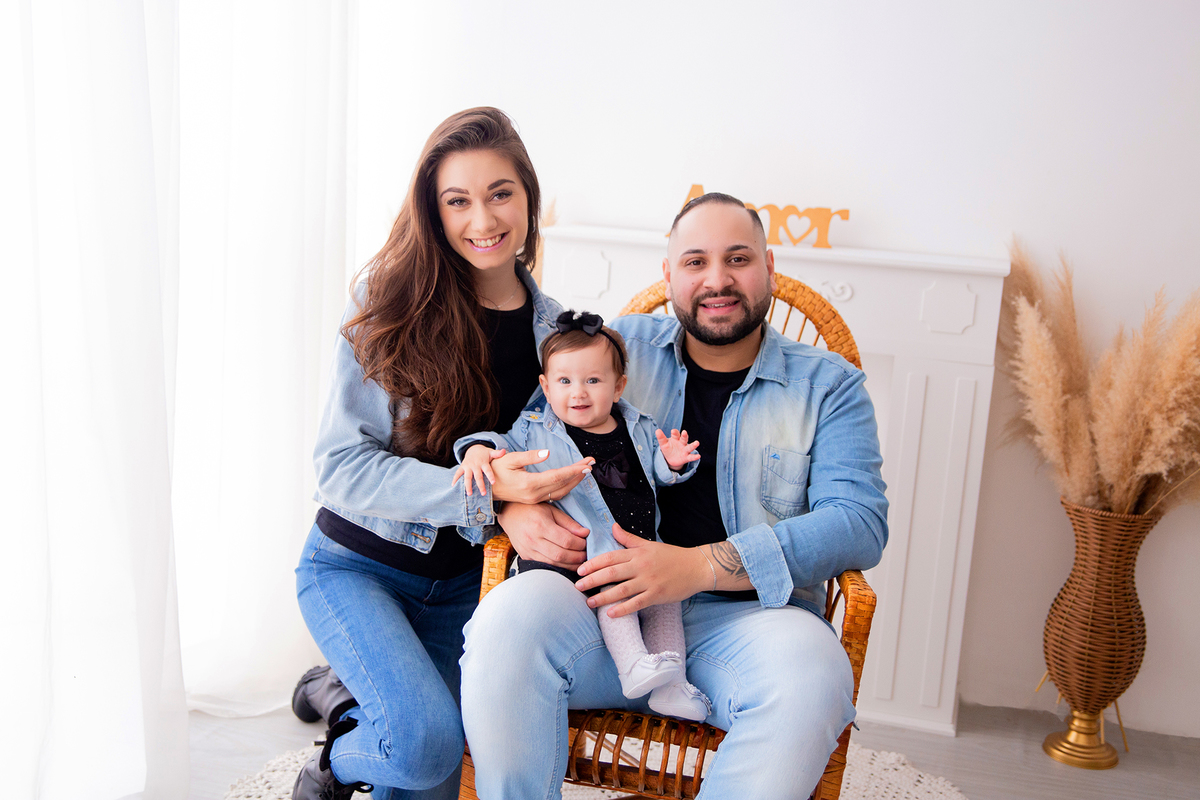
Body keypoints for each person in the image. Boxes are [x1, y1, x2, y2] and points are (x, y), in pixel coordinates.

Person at [458, 193, 889, 799]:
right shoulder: (617, 348)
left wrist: (696, 566)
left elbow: (859, 524)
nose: (717, 280)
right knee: (504, 622)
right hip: (598, 608)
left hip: (746, 623)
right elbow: (530, 437)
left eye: (738, 259)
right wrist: (514, 504)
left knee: (815, 675)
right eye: (695, 262)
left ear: (769, 267)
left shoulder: (829, 387)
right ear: (668, 275)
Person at [291, 107, 593, 800]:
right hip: (354, 569)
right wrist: (487, 498)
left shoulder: (560, 340)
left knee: (431, 763)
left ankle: (344, 699)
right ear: (433, 211)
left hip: (465, 589)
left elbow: (532, 472)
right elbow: (340, 467)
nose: (481, 219)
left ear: (529, 198)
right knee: (424, 746)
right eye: (457, 200)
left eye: (500, 194)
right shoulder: (387, 302)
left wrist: (517, 506)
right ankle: (336, 758)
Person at [453, 310, 710, 721]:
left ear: (618, 385)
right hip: (589, 553)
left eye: (593, 380)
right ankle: (632, 668)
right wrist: (478, 450)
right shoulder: (537, 427)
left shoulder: (638, 426)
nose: (579, 393)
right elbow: (500, 445)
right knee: (616, 592)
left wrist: (673, 463)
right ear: (546, 386)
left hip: (644, 546)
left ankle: (672, 680)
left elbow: (656, 474)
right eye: (565, 381)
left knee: (667, 600)